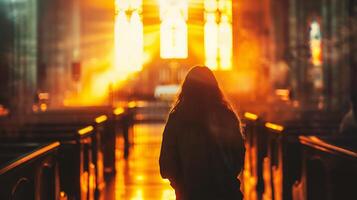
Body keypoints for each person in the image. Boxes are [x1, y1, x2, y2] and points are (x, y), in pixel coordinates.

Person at [159, 66, 246, 200]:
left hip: (189, 193)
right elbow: (238, 154)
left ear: (186, 88)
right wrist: (226, 177)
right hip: (224, 193)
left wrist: (180, 185)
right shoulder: (226, 116)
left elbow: (167, 162)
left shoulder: (177, 118)